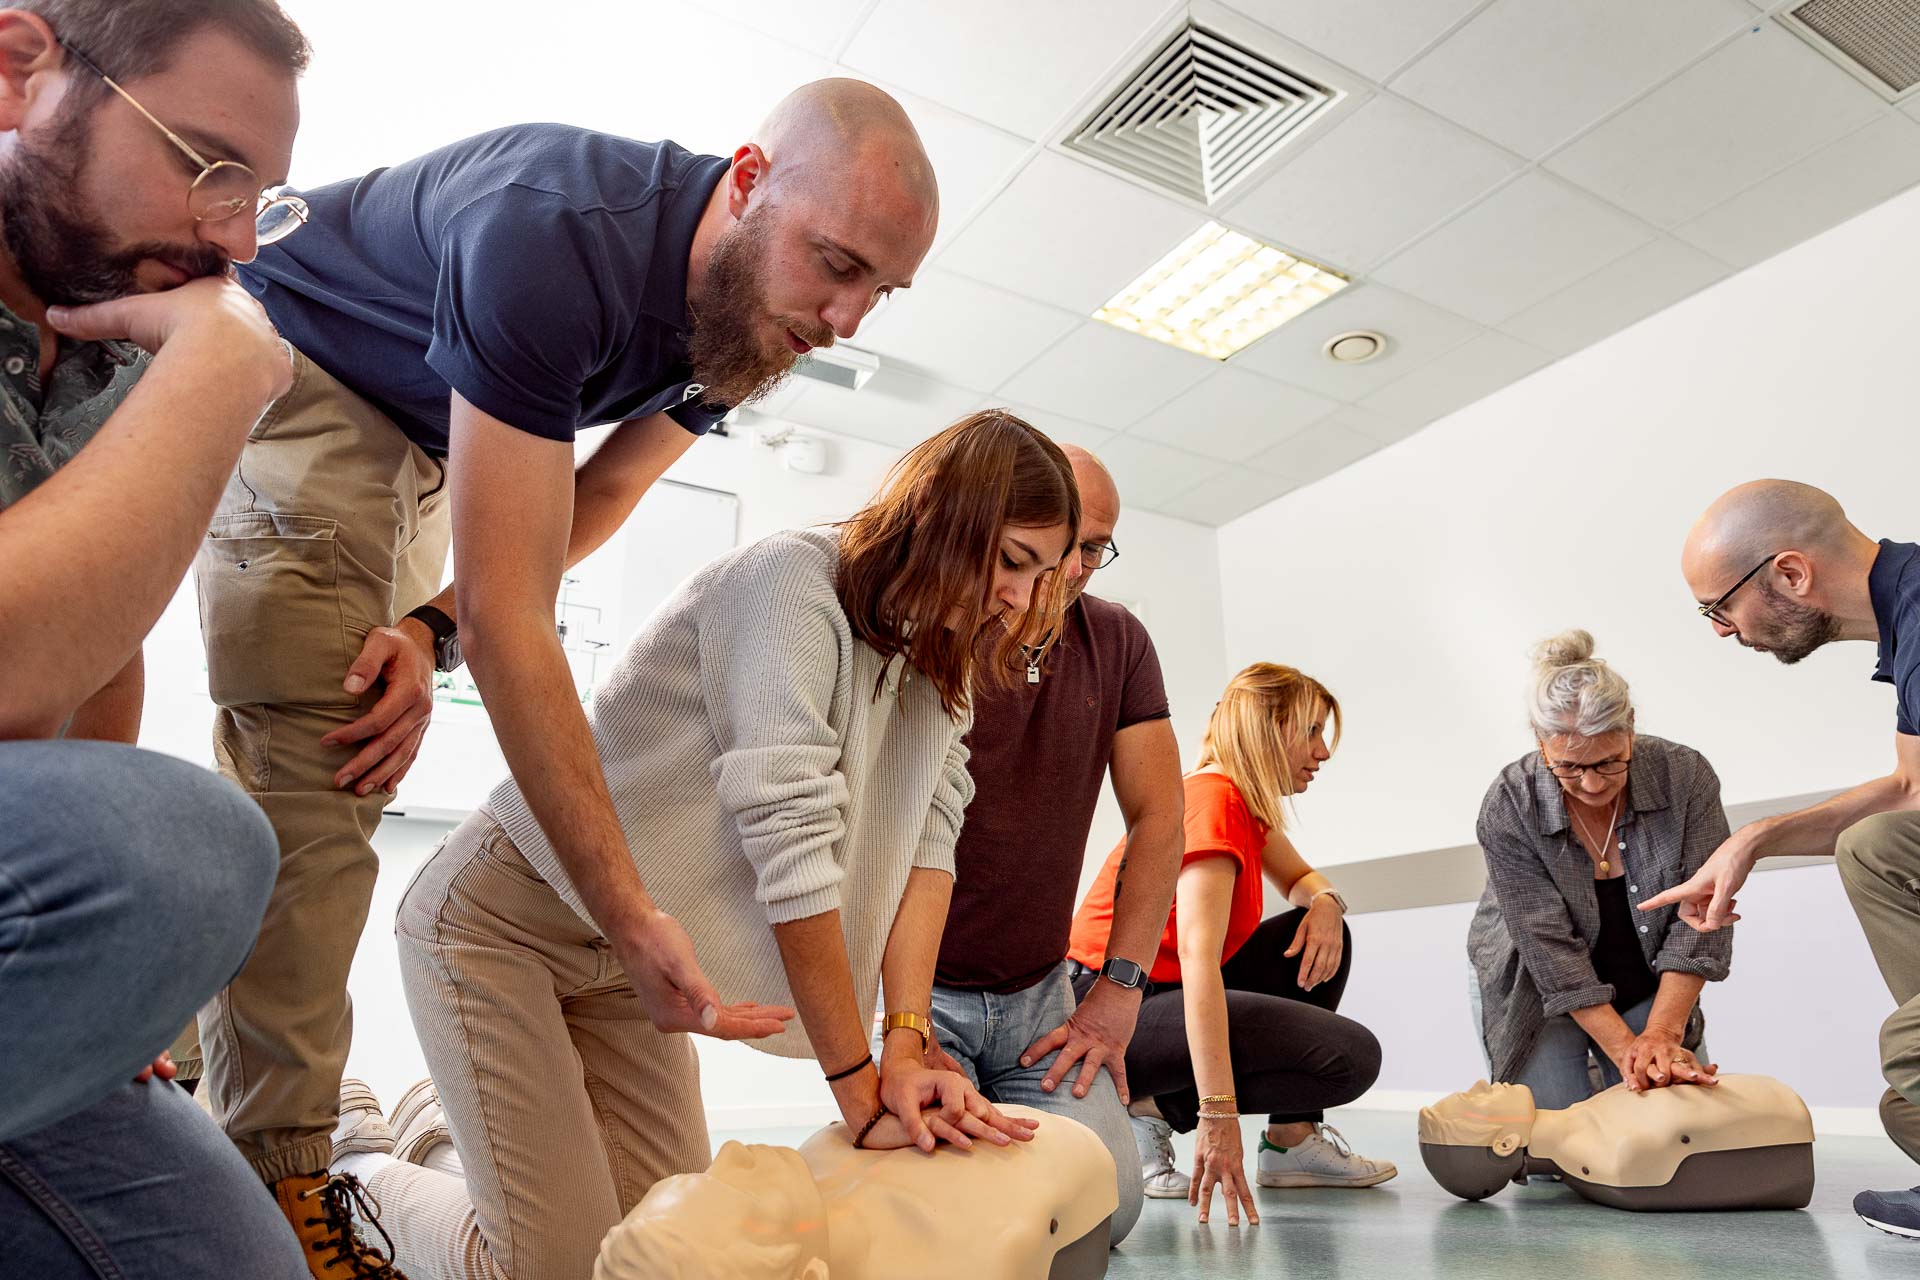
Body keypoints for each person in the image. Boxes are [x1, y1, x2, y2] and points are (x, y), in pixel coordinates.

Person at [173, 77, 941, 1253]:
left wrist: (433, 624)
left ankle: (382, 1124)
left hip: (431, 437)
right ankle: (277, 1194)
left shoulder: (746, 325)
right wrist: (632, 916)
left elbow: (609, 488)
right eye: (834, 263)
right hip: (301, 371)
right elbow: (515, 618)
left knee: (377, 729)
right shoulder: (554, 230)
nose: (845, 319)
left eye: (881, 292)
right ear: (747, 178)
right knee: (321, 768)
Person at [322, 410, 1075, 1280]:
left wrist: (906, 1041)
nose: (1020, 597)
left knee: (664, 1255)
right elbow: (793, 849)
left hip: (638, 968)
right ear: (950, 518)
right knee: (551, 1270)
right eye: (1013, 561)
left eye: (1043, 574)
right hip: (501, 928)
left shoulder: (940, 671)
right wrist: (856, 1085)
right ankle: (357, 1165)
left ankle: (436, 1125)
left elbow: (929, 854)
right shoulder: (791, 584)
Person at [0, 1, 315, 1274]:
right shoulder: (196, 352)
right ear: (20, 68)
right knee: (187, 846)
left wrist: (99, 990)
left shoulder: (112, 351)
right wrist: (225, 368)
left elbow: (97, 648)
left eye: (261, 199)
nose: (234, 237)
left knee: (233, 1262)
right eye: (206, 167)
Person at [922, 444, 1184, 1248]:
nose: (1074, 569)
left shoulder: (1118, 641)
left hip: (1042, 999)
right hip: (917, 991)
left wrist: (1121, 991)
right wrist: (890, 1017)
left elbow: (1161, 817)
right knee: (949, 1217)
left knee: (1110, 1213)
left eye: (1096, 548)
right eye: (1062, 543)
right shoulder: (937, 626)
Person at [1653, 479, 1920, 1237]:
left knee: (1912, 1047)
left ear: (1791, 574)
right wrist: (1753, 840)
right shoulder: (1906, 622)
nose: (1721, 630)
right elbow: (1910, 789)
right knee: (1873, 847)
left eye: (1718, 607)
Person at [1068, 662, 1392, 1228]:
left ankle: (1290, 1142)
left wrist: (1326, 904)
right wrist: (1220, 1116)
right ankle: (1144, 1109)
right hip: (1107, 1009)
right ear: (1270, 730)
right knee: (1350, 1059)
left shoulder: (1243, 805)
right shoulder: (1213, 800)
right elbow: (1198, 962)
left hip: (1159, 998)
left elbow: (1303, 881)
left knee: (1306, 932)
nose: (1323, 751)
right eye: (1312, 732)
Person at [1470, 630, 1732, 1115]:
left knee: (1672, 1126)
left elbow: (1699, 918)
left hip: (1649, 972)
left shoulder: (1685, 776)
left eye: (1610, 762)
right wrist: (1633, 1059)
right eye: (1569, 767)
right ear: (1539, 741)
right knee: (1557, 1151)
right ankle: (1594, 1075)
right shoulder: (1509, 802)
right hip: (1537, 983)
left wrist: (1661, 1036)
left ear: (1631, 726)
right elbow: (1546, 946)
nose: (1591, 783)